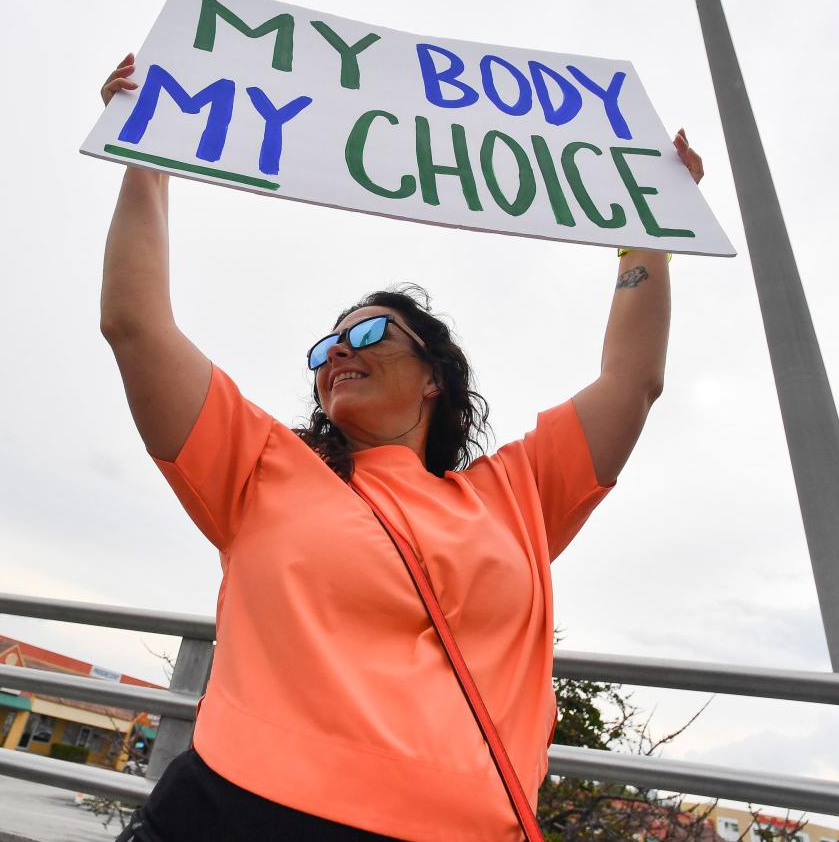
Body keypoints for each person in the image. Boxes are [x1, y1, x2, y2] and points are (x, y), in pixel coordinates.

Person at [99, 53, 704, 842]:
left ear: (433, 379)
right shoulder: (259, 465)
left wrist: (644, 233)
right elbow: (136, 324)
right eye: (327, 347)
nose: (340, 351)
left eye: (371, 332)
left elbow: (632, 380)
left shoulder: (517, 492)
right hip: (234, 814)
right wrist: (147, 153)